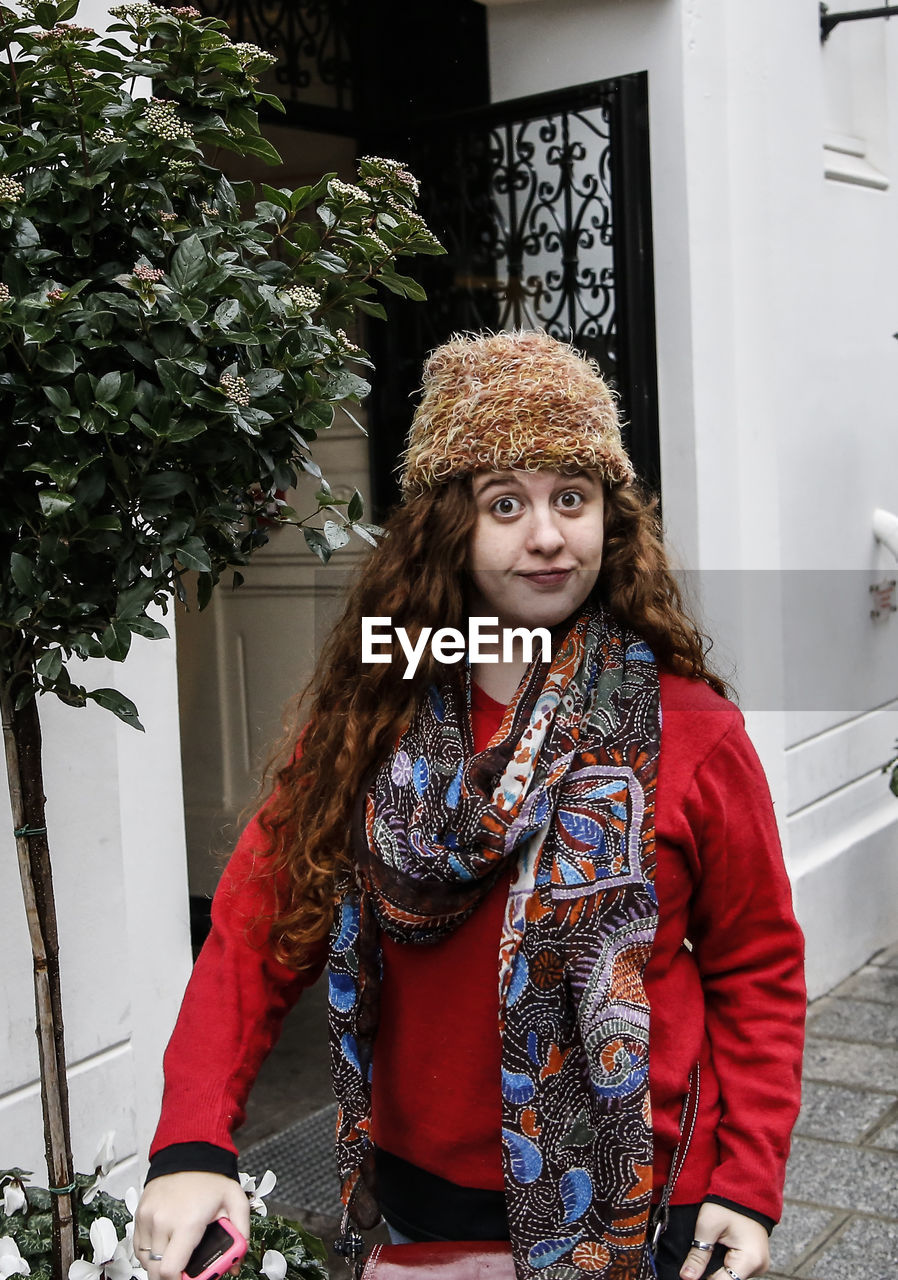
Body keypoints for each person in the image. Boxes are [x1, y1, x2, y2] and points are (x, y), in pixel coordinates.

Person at [135, 330, 806, 1280]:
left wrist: (747, 1184)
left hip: (651, 1197)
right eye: (507, 504)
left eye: (572, 497)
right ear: (449, 527)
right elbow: (256, 926)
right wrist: (194, 1138)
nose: (547, 535)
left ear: (610, 517)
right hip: (424, 1195)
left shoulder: (692, 729)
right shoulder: (372, 713)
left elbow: (758, 966)